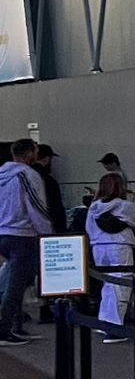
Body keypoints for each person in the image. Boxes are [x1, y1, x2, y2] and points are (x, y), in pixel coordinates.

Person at [0, 137, 55, 343]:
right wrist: (46, 233)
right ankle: (5, 329)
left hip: (3, 233)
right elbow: (36, 207)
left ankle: (16, 326)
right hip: (22, 234)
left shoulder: (1, 174)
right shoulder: (27, 175)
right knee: (17, 284)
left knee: (13, 280)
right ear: (30, 153)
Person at [86, 171, 135, 339]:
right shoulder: (125, 206)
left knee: (107, 285)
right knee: (121, 285)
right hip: (120, 246)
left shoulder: (93, 207)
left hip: (98, 247)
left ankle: (104, 321)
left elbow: (88, 228)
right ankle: (114, 328)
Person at [31, 146, 64, 322]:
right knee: (46, 270)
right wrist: (61, 231)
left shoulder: (22, 178)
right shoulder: (47, 181)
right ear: (46, 159)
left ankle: (19, 311)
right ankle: (45, 307)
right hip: (46, 231)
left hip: (21, 232)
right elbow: (56, 209)